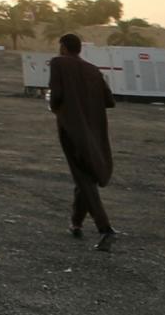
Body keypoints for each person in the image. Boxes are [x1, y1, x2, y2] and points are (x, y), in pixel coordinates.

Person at [46, 33, 116, 250]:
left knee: (83, 178)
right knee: (85, 178)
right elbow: (109, 101)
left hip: (72, 130)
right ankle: (76, 223)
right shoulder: (93, 70)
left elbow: (55, 95)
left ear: (64, 47)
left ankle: (105, 229)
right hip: (95, 132)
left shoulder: (59, 63)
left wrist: (59, 108)